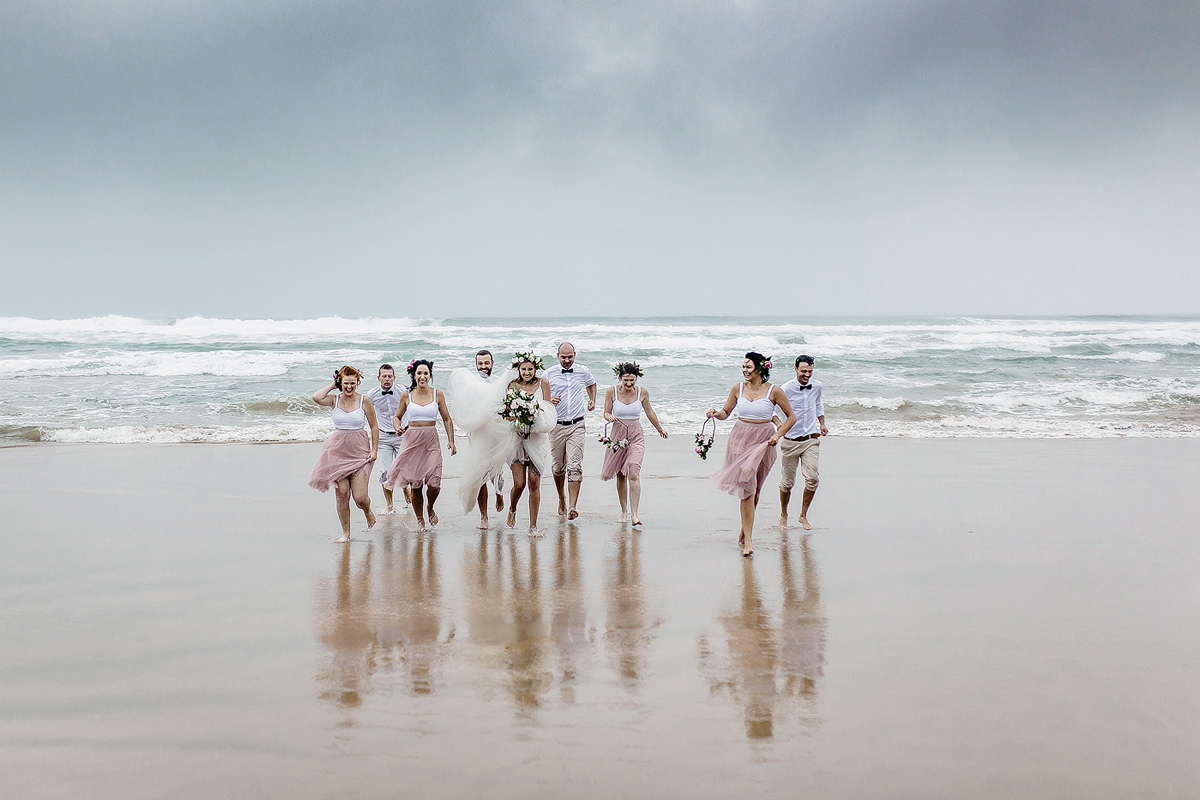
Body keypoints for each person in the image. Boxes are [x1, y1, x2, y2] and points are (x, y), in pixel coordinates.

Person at [450, 352, 556, 534]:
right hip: (516, 439)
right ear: (519, 370)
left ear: (535, 369)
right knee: (520, 484)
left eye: (530, 369)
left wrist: (533, 414)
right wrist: (519, 414)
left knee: (534, 483)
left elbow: (547, 410)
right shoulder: (511, 385)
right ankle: (512, 507)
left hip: (536, 439)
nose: (527, 372)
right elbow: (506, 414)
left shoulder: (543, 384)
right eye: (524, 369)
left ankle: (533, 526)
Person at [707, 352, 796, 556]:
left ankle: (744, 529)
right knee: (747, 488)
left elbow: (791, 417)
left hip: (764, 441)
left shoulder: (774, 391)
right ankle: (748, 540)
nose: (744, 370)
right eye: (743, 367)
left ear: (759, 368)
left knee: (755, 489)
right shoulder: (737, 388)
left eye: (748, 367)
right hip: (740, 438)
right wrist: (715, 413)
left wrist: (778, 435)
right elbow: (725, 413)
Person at [309, 365, 379, 543]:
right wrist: (334, 384)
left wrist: (374, 450)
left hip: (360, 452)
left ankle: (367, 511)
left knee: (360, 498)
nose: (349, 387)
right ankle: (346, 533)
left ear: (358, 382)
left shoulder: (365, 400)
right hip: (338, 452)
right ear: (341, 382)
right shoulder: (334, 400)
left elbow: (373, 426)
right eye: (346, 383)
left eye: (352, 383)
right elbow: (316, 397)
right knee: (342, 493)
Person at [384, 360, 456, 533]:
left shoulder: (437, 394)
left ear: (430, 375)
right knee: (416, 484)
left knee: (434, 484)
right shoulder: (406, 395)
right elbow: (397, 416)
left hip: (431, 440)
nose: (422, 376)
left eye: (426, 373)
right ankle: (420, 520)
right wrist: (397, 427)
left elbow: (446, 418)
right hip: (412, 440)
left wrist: (451, 440)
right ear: (414, 375)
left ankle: (430, 506)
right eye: (419, 373)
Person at [600, 362, 668, 525]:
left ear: (637, 378)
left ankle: (635, 515)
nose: (629, 384)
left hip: (636, 435)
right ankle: (624, 511)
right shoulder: (612, 391)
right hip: (618, 434)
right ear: (620, 378)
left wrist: (660, 429)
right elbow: (606, 412)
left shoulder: (642, 392)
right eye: (626, 380)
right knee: (621, 475)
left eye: (632, 380)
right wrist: (609, 417)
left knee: (634, 471)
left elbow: (649, 411)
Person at [544, 342, 597, 520]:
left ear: (575, 355)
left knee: (575, 466)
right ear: (557, 356)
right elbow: (539, 396)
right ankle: (561, 499)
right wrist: (549, 401)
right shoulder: (549, 373)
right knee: (558, 467)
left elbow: (592, 383)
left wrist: (592, 400)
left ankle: (573, 506)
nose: (567, 360)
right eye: (563, 357)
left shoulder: (583, 371)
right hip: (556, 425)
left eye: (570, 357)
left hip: (577, 425)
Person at [777, 355, 827, 531]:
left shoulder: (817, 386)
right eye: (804, 371)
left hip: (810, 440)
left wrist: (821, 424)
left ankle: (803, 515)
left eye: (810, 371)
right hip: (790, 440)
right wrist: (780, 427)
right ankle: (784, 515)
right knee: (787, 483)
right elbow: (773, 410)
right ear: (795, 369)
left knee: (813, 479)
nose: (807, 374)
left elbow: (818, 404)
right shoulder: (785, 389)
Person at [365, 363, 408, 515]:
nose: (387, 379)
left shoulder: (403, 391)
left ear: (394, 377)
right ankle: (390, 505)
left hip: (402, 435)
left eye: (390, 376)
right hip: (383, 436)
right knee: (385, 472)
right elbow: (361, 410)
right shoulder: (371, 394)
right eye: (384, 376)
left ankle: (405, 489)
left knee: (405, 469)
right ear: (379, 378)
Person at [472, 349, 505, 528]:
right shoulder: (472, 385)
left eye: (486, 363)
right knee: (479, 476)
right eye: (480, 363)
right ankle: (483, 516)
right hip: (478, 434)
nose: (483, 367)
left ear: (492, 363)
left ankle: (499, 492)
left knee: (496, 471)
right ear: (476, 364)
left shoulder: (499, 384)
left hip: (497, 434)